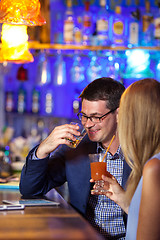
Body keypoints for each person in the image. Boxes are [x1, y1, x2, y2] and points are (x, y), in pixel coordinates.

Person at [19, 77, 131, 240]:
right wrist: (43, 149)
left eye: (96, 117)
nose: (87, 124)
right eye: (84, 116)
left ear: (119, 114)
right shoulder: (76, 150)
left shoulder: (142, 152)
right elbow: (31, 189)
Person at [95, 78, 160, 240]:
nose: (118, 121)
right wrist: (124, 200)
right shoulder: (151, 162)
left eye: (122, 114)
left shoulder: (154, 167)